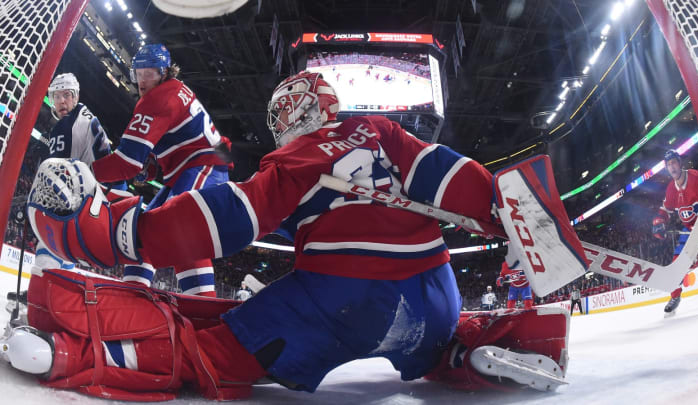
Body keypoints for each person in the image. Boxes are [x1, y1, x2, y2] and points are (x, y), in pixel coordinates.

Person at [7, 71, 575, 399]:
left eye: (283, 115)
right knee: (430, 340)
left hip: (342, 303)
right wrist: (500, 208)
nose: (280, 126)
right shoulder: (383, 132)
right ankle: (463, 351)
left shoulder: (296, 159)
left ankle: (70, 355)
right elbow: (452, 178)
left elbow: (227, 218)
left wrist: (126, 231)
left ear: (299, 113)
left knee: (217, 352)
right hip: (437, 295)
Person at [90, 44, 230, 297]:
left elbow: (126, 163)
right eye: (138, 74)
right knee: (140, 233)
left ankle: (203, 308)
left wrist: (87, 170)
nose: (142, 81)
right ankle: (132, 299)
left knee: (182, 228)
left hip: (204, 167)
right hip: (190, 170)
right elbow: (169, 144)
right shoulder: (173, 90)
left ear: (164, 73)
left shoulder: (158, 99)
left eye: (149, 74)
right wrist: (151, 167)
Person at [30, 73, 122, 276]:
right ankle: (60, 291)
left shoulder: (66, 126)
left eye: (67, 95)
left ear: (76, 97)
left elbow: (57, 177)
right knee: (67, 242)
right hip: (107, 200)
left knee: (50, 231)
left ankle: (41, 292)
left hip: (98, 203)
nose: (62, 101)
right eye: (56, 96)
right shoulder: (86, 116)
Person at [652, 149, 698, 315]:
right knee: (676, 264)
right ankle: (675, 296)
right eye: (668, 165)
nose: (672, 167)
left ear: (680, 163)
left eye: (674, 162)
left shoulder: (695, 178)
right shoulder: (671, 189)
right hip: (689, 231)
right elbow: (665, 210)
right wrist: (659, 222)